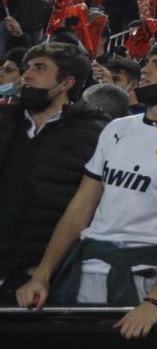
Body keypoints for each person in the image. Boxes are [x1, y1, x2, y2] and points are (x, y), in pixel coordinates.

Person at [15, 40, 157, 341]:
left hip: (143, 275)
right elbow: (81, 207)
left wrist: (155, 300)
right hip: (86, 264)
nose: (145, 70)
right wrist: (44, 274)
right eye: (147, 62)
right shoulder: (117, 128)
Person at [0, 43, 106, 302]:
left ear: (66, 83)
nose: (27, 76)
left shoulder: (96, 133)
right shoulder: (5, 120)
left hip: (38, 275)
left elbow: (87, 208)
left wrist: (44, 272)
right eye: (27, 68)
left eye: (40, 68)